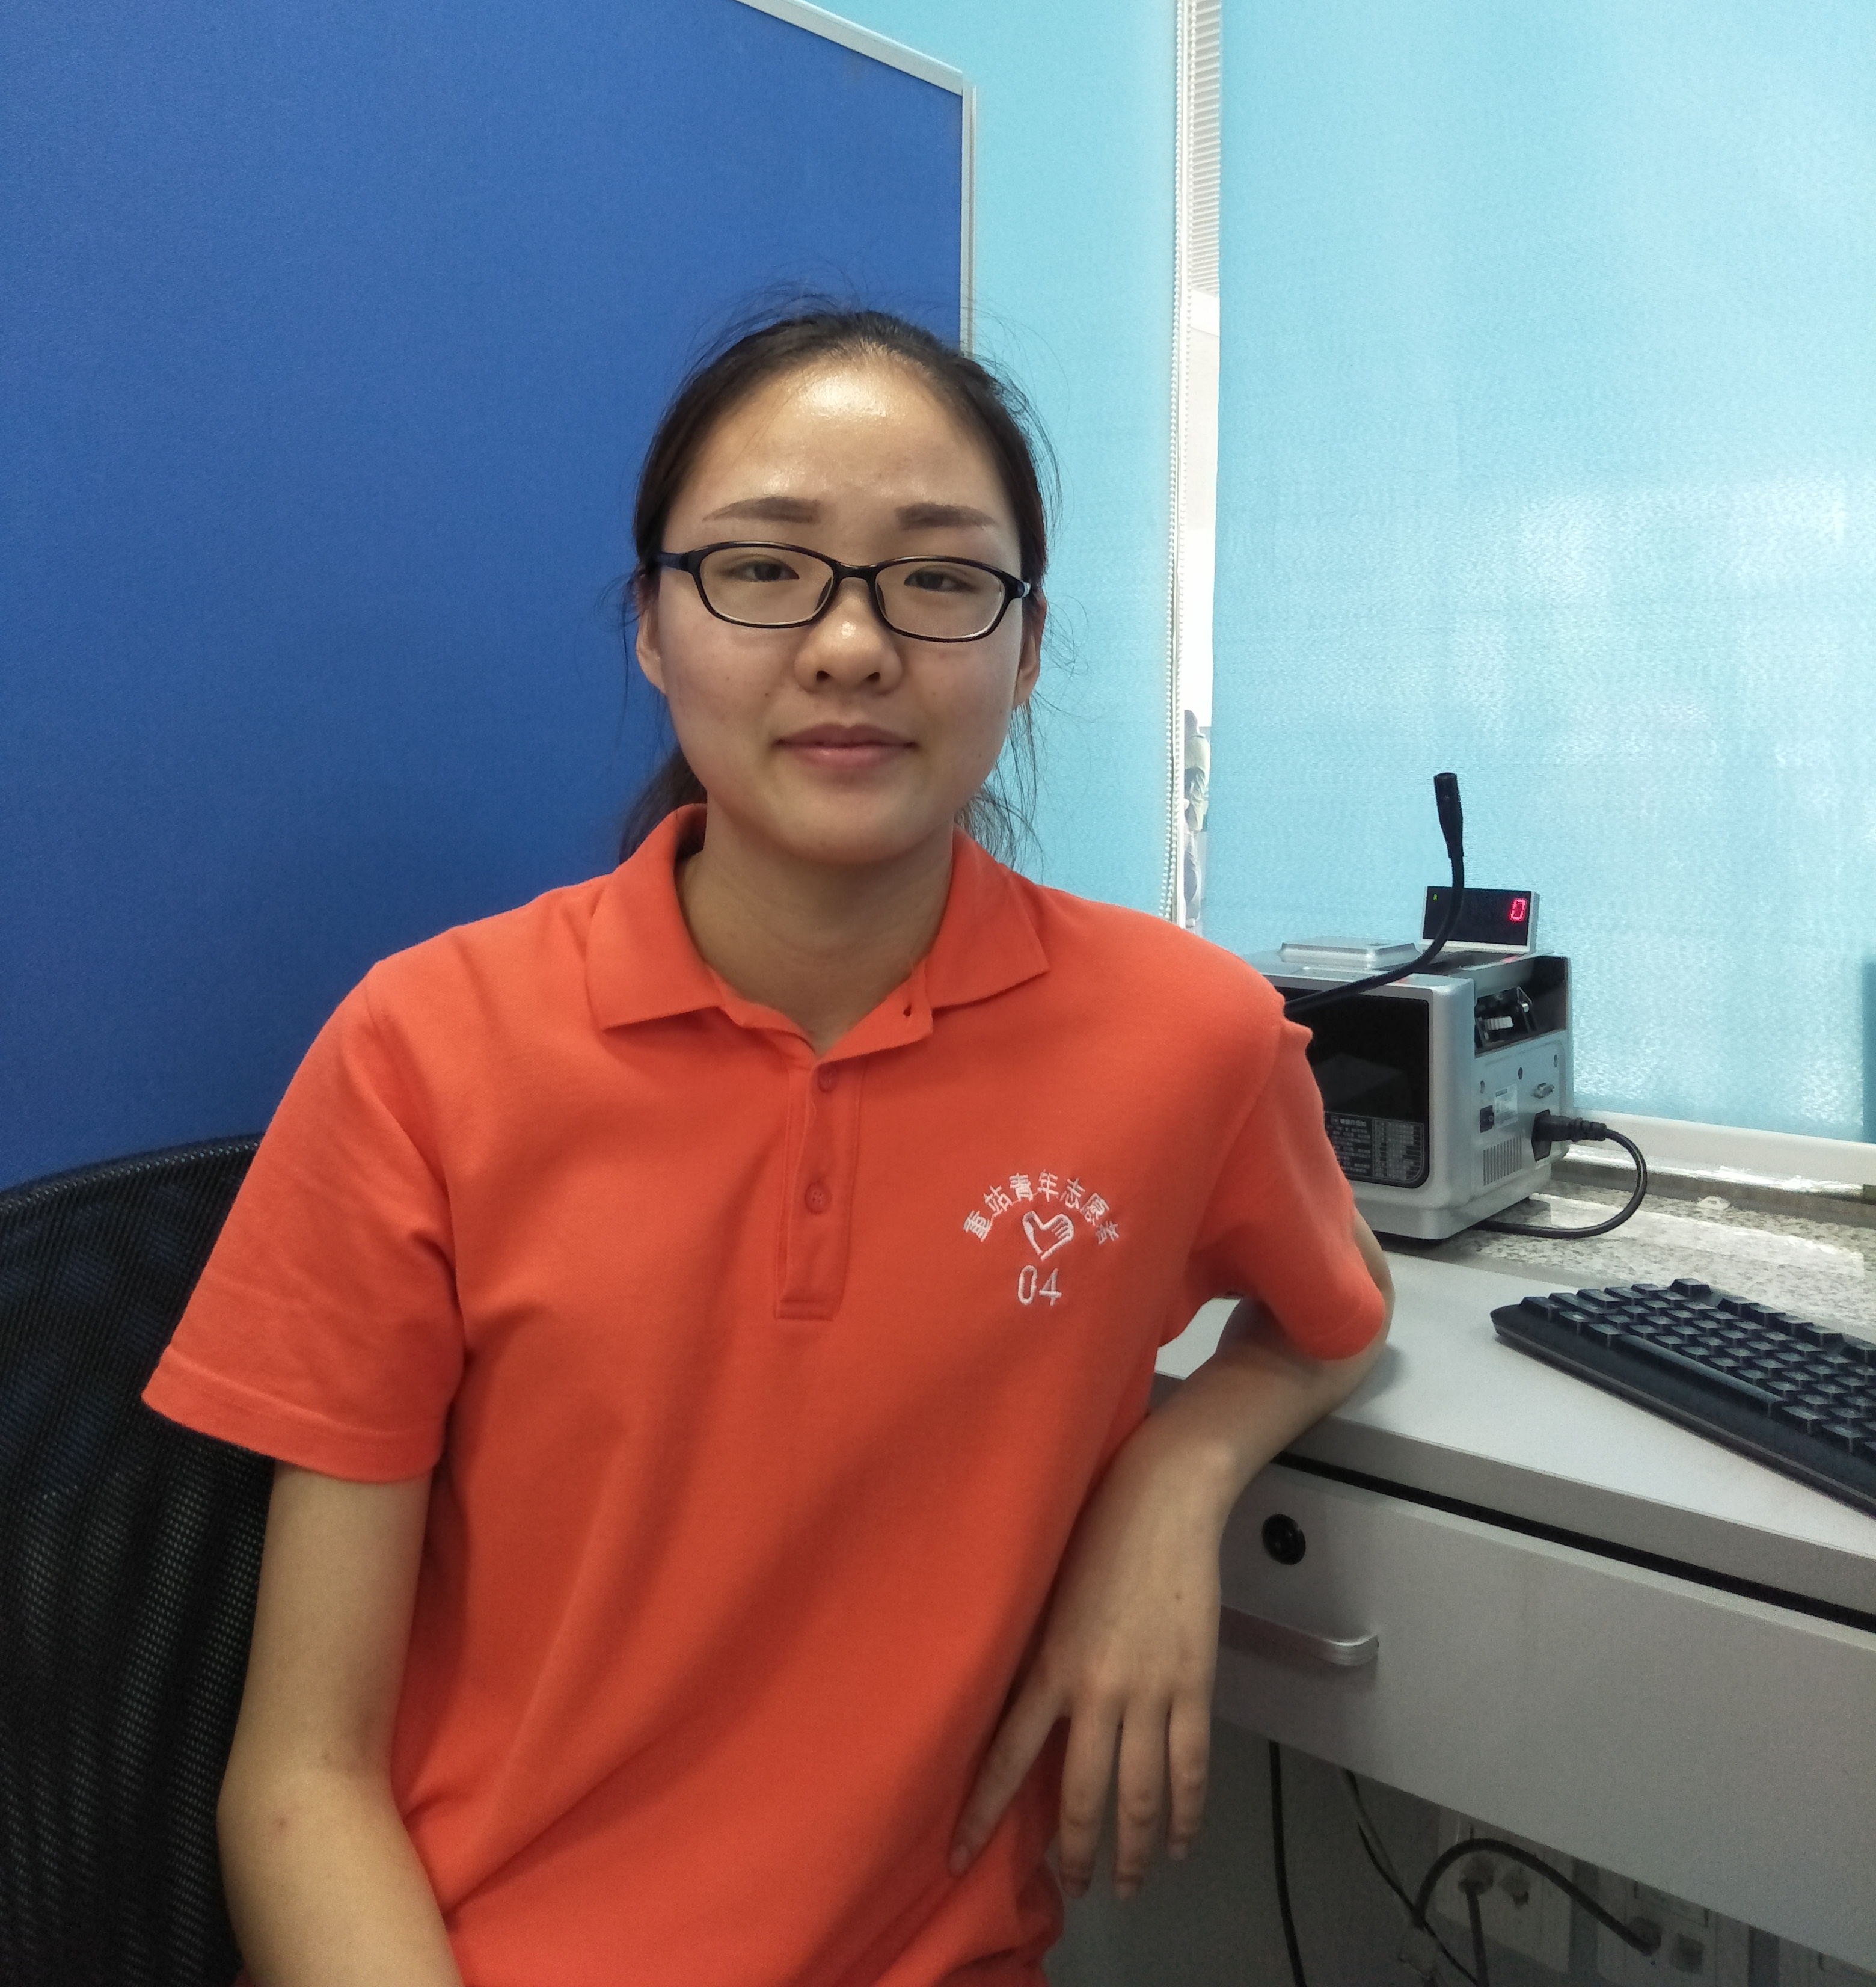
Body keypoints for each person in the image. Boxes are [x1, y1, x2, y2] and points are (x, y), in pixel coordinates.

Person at [145, 307, 1391, 1987]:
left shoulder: (1189, 1040)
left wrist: (1174, 1481)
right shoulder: (426, 1050)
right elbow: (305, 1779)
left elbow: (1335, 1306)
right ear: (653, 630)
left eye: (938, 579)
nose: (853, 645)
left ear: (1027, 648)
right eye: (762, 569)